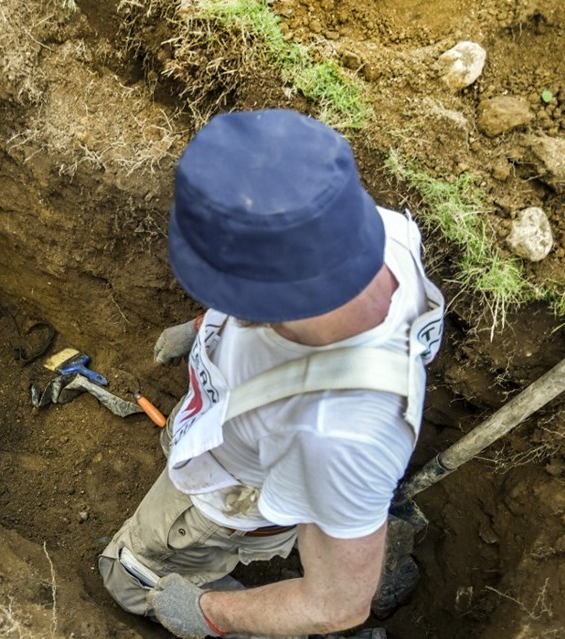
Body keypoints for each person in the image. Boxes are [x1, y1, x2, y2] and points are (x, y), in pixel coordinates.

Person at [98, 109, 444, 638]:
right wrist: (202, 329)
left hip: (229, 498)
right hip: (236, 424)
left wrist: (213, 614)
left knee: (122, 578)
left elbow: (339, 603)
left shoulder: (338, 432)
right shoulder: (377, 232)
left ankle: (242, 604)